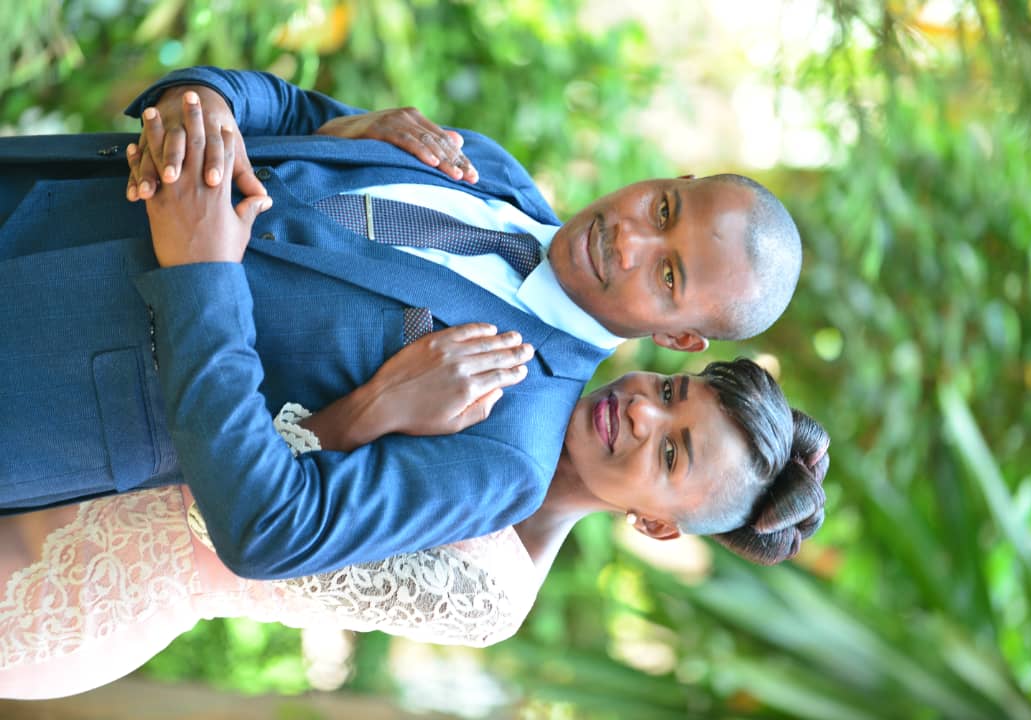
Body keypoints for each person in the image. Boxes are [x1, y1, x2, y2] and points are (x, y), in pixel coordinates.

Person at [0, 67, 803, 580]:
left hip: (36, 384)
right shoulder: (493, 170)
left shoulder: (512, 445)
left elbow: (271, 529)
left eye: (668, 275)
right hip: (38, 196)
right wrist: (206, 104)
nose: (629, 240)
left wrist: (202, 276)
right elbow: (296, 114)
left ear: (680, 337)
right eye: (664, 210)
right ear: (673, 179)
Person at [0, 357, 829, 700]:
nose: (643, 409)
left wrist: (380, 406)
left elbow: (250, 527)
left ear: (655, 524)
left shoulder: (492, 591)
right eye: (674, 390)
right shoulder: (526, 363)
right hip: (106, 424)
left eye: (672, 453)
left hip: (95, 568)